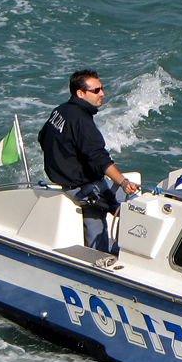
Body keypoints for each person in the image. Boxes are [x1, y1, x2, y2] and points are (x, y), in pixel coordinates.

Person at [38, 69, 140, 253]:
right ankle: (122, 255)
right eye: (96, 90)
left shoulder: (60, 110)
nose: (102, 93)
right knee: (135, 207)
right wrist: (123, 182)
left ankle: (97, 256)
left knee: (95, 211)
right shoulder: (82, 122)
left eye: (101, 88)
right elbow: (99, 158)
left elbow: (42, 136)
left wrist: (64, 163)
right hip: (82, 186)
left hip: (67, 182)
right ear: (80, 93)